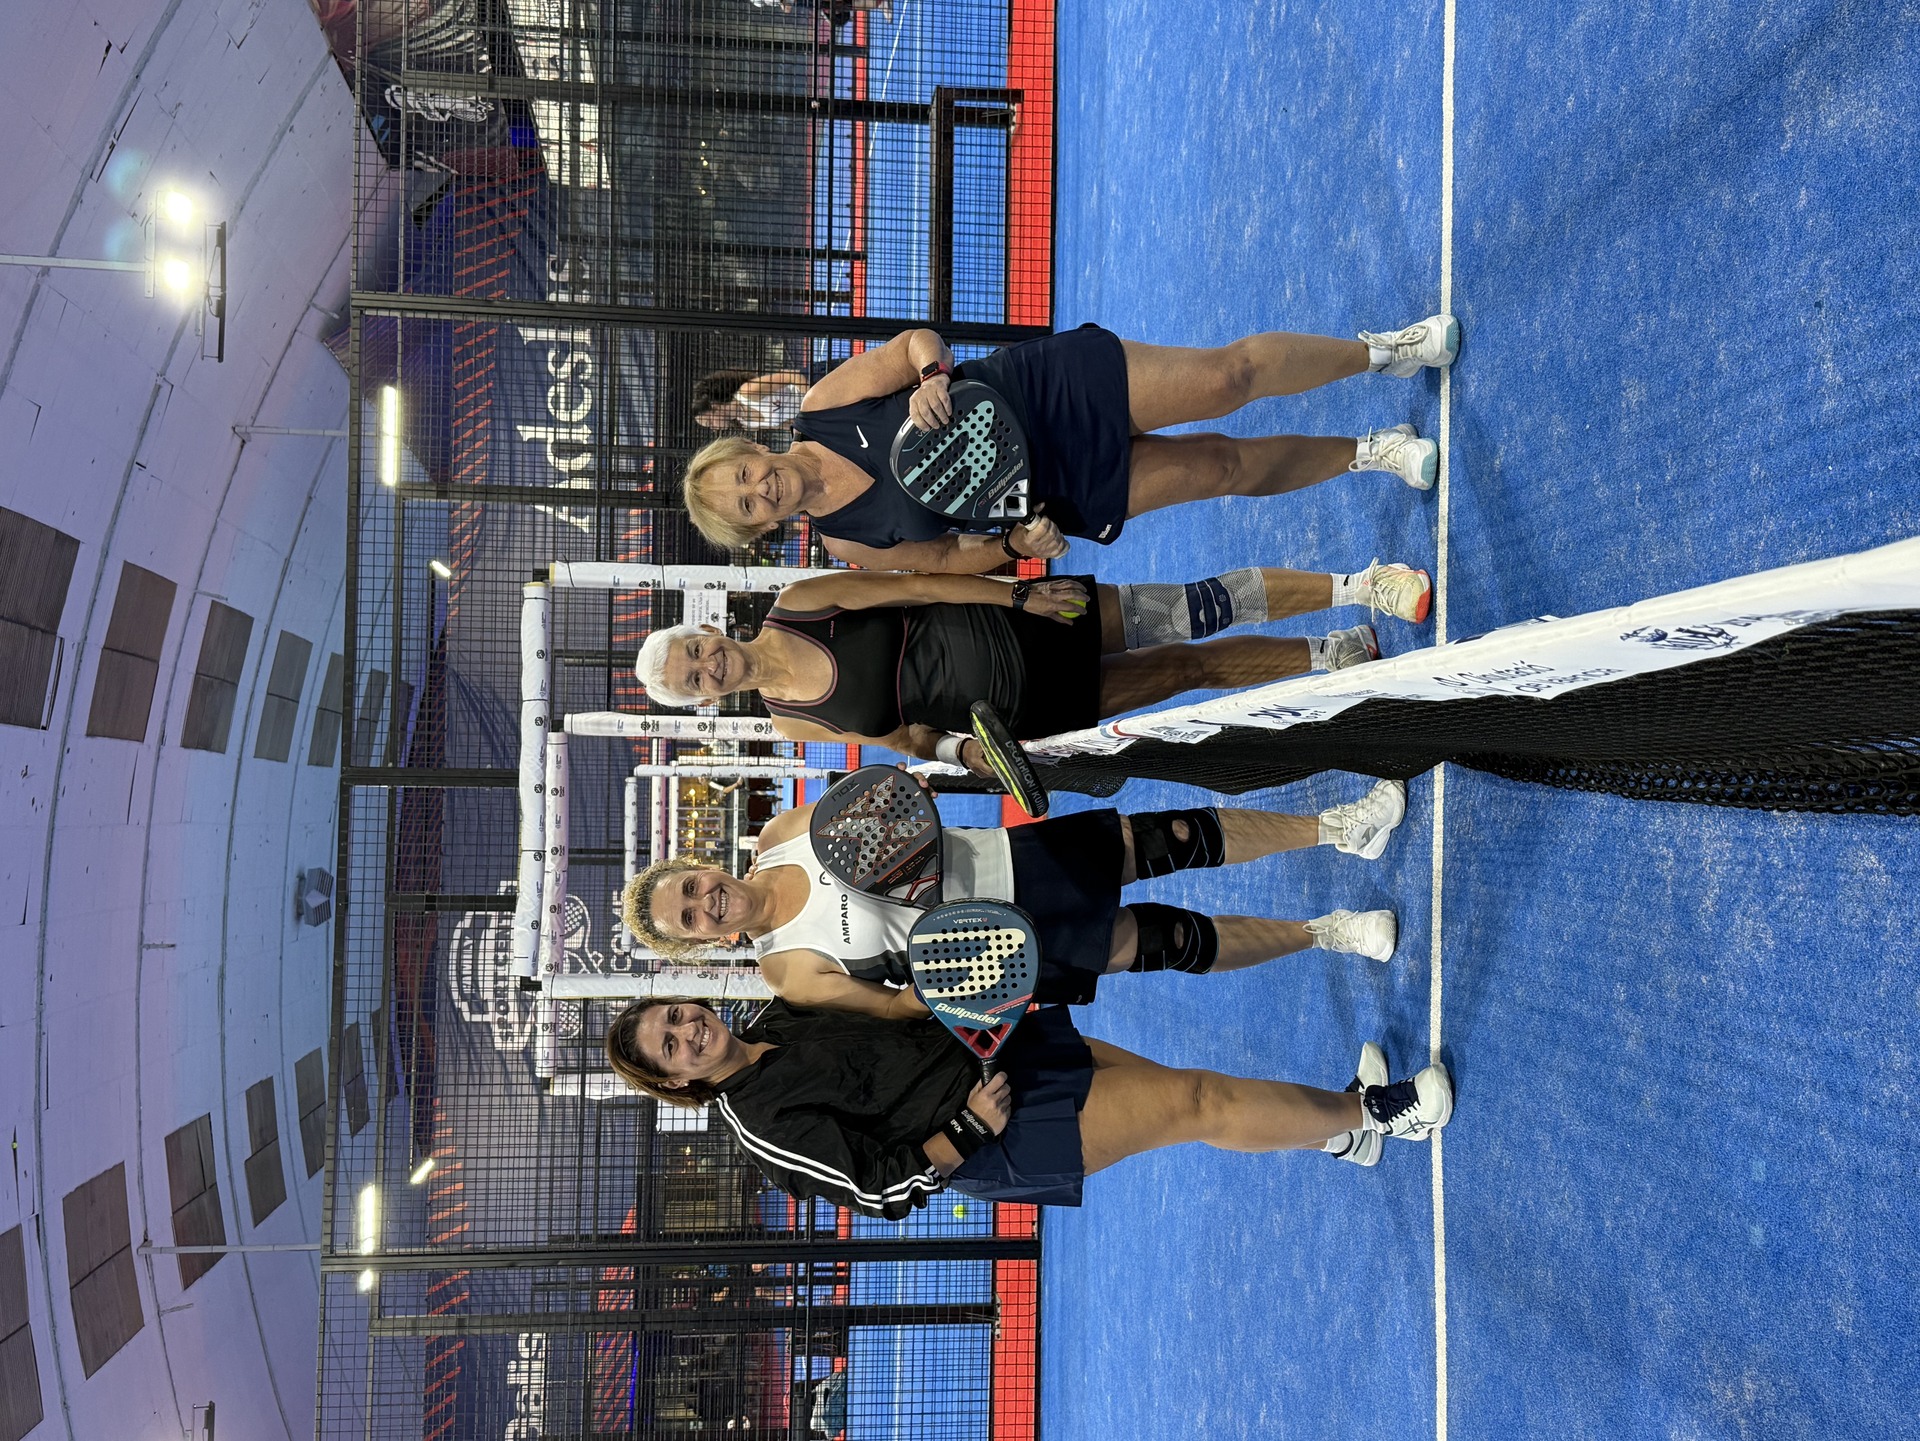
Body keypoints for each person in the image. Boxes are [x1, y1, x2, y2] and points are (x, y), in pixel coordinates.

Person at [679, 316, 1458, 572]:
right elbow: (947, 558)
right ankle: (1371, 450)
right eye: (745, 505)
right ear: (757, 527)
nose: (758, 488)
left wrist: (930, 375)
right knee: (1221, 467)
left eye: (742, 474)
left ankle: (1383, 351)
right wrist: (1017, 544)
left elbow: (914, 342)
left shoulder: (821, 407)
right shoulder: (846, 543)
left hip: (1045, 390)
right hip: (1054, 490)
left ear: (748, 449)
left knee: (1228, 377)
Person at [603, 996, 1453, 1215]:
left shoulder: (772, 1018)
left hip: (1000, 1050)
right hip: (999, 1131)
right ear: (673, 1081)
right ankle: (1383, 1113)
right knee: (1195, 1101)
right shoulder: (758, 1125)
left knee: (1184, 1085)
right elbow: (876, 1186)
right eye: (671, 1046)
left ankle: (1341, 1132)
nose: (688, 1030)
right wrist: (971, 1125)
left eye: (675, 1015)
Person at [620, 787, 1410, 1021]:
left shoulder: (781, 833)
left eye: (688, 886)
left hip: (1008, 856)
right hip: (1000, 946)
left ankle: (1337, 828)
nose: (704, 902)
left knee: (1165, 837)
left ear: (697, 865)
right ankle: (1327, 932)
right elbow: (893, 1005)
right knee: (1162, 940)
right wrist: (969, 981)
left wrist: (909, 800)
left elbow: (883, 808)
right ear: (702, 943)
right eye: (689, 919)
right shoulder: (786, 970)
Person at [633, 563, 1430, 772]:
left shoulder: (801, 601)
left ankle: (1359, 585)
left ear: (705, 628)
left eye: (694, 650)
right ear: (704, 703)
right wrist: (963, 753)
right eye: (694, 679)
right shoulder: (790, 723)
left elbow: (918, 584)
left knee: (1191, 607)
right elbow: (905, 737)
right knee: (1185, 673)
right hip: (1026, 712)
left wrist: (1018, 594)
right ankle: (1333, 655)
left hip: (1023, 623)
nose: (708, 665)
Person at [693, 367, 814, 431]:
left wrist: (813, 406)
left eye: (709, 423)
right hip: (817, 412)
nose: (713, 429)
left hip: (814, 383)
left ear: (715, 407)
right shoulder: (746, 425)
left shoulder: (747, 392)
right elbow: (789, 425)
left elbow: (793, 376)